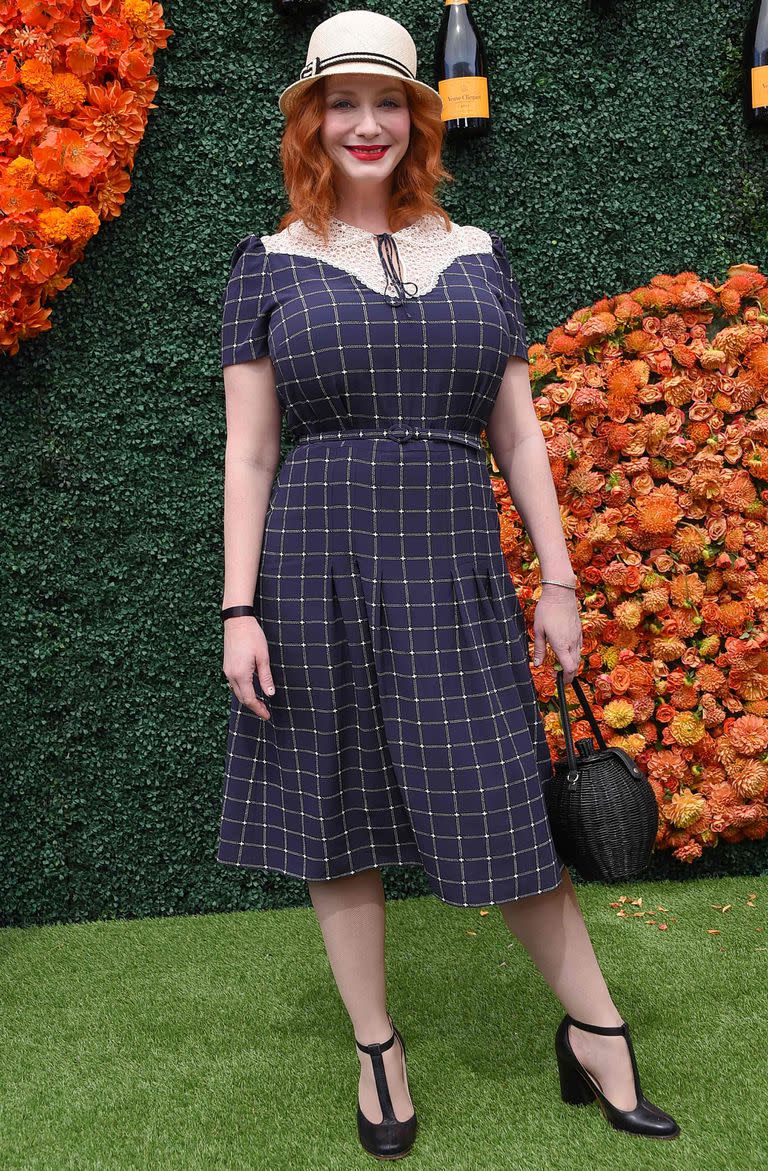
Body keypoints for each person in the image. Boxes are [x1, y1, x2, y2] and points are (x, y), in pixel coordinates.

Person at [216, 9, 680, 1157]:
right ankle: (378, 1045)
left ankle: (595, 1030)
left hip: (455, 566)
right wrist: (238, 608)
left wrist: (561, 578)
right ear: (311, 121)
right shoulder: (267, 265)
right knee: (338, 813)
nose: (364, 123)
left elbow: (519, 437)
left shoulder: (478, 256)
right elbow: (251, 451)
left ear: (418, 120)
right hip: (312, 563)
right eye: (342, 102)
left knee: (506, 807)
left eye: (388, 103)